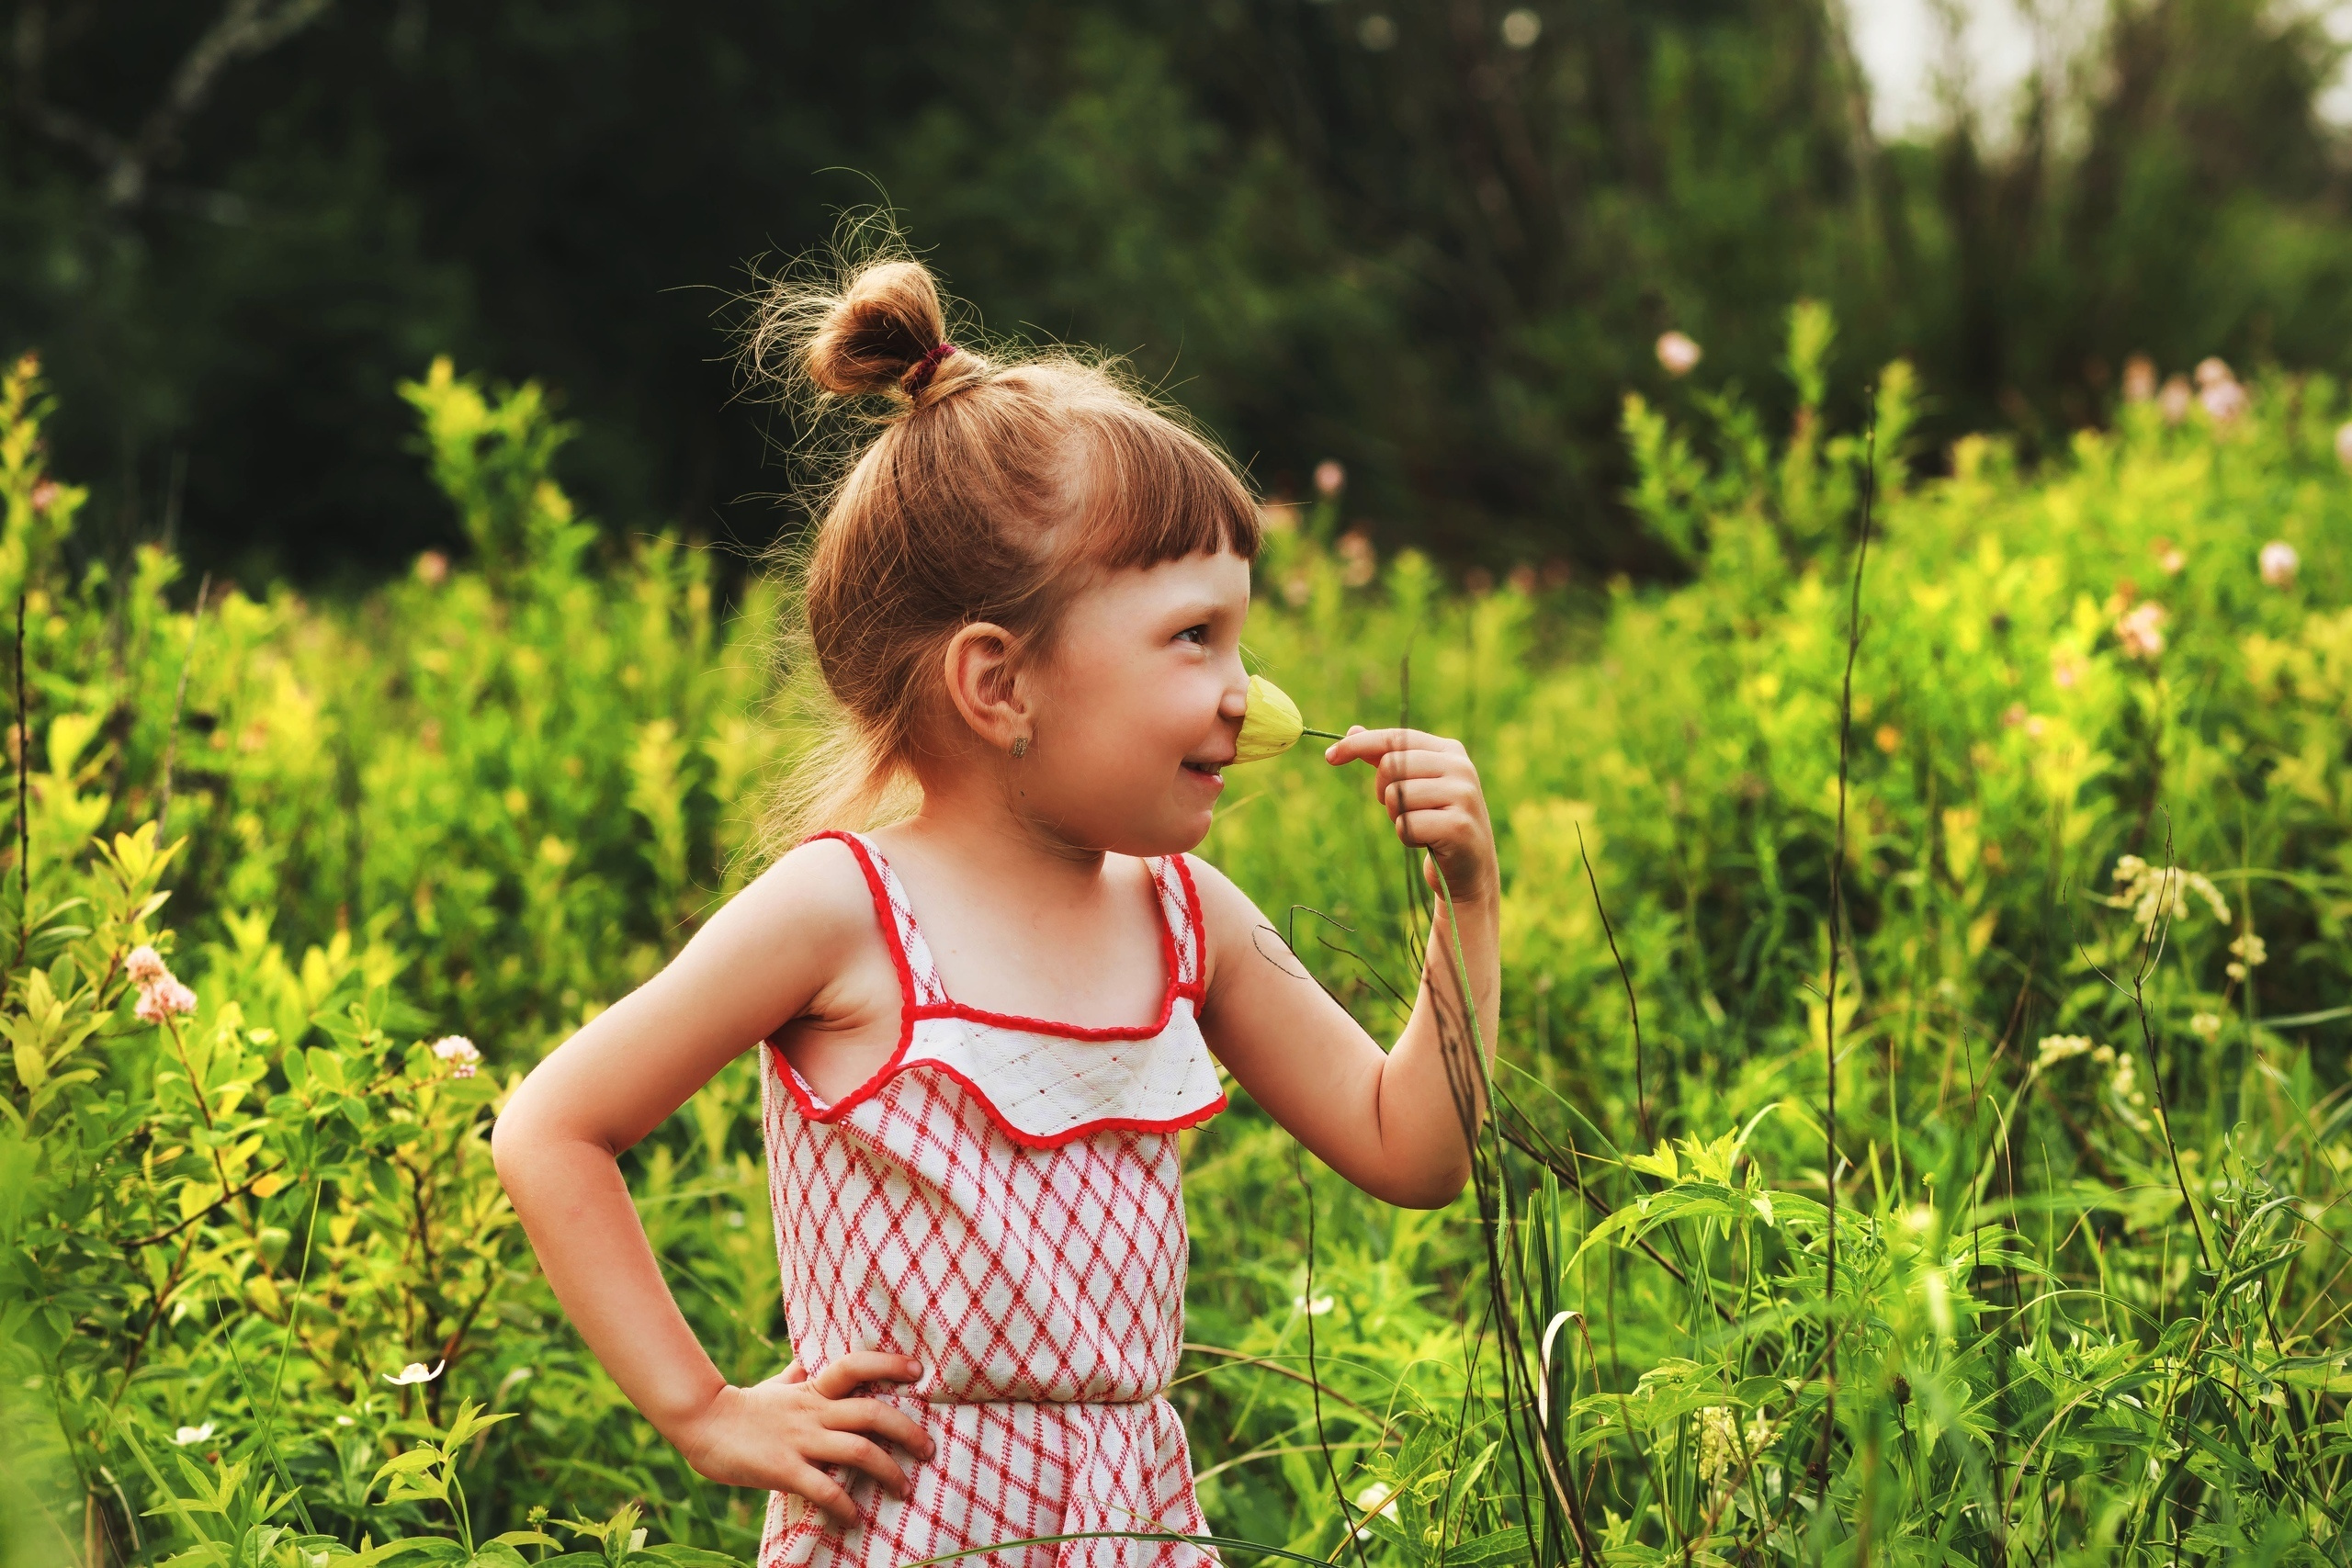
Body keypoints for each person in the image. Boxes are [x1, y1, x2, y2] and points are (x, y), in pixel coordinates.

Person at [491, 254, 1500, 1567]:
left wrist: (1465, 901)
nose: (1245, 692)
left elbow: (1406, 1148)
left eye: (1241, 640)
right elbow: (552, 1127)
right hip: (905, 1523)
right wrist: (707, 1411)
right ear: (999, 683)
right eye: (1194, 639)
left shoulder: (1189, 917)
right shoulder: (843, 909)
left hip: (1132, 1523)